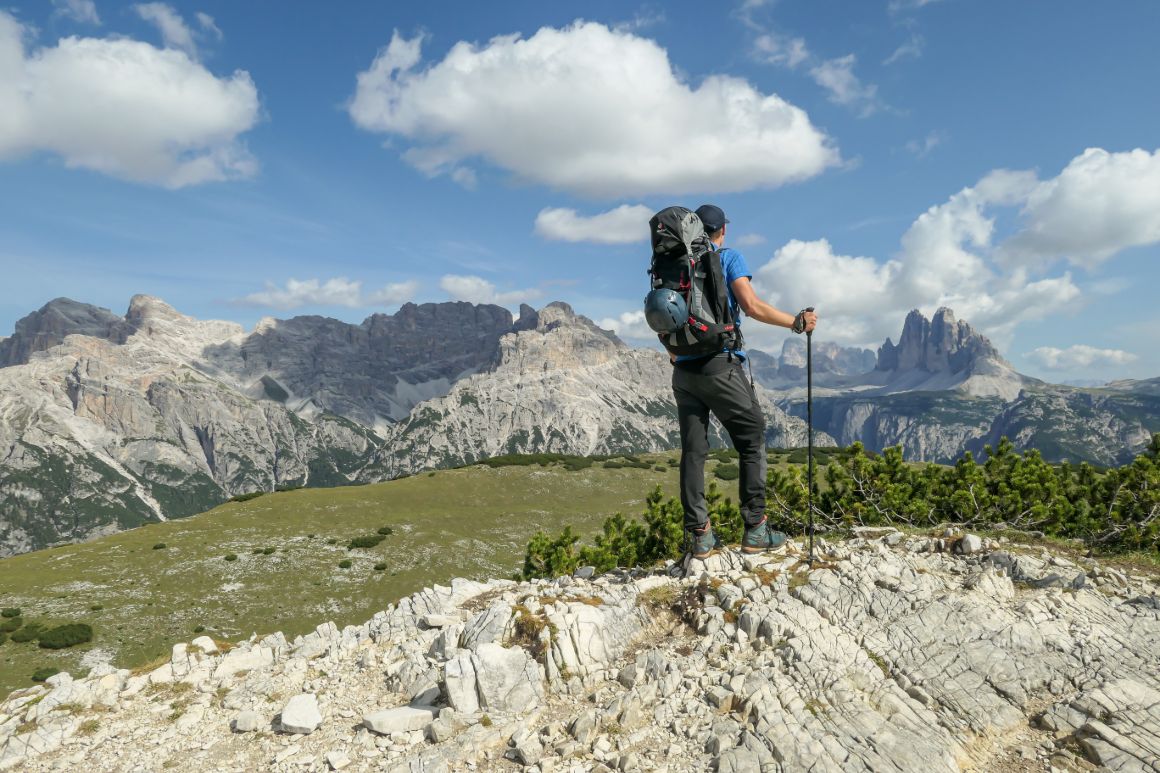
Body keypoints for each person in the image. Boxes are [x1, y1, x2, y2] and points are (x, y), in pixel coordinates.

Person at [674, 204, 817, 559]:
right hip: (718, 367)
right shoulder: (728, 257)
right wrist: (796, 322)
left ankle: (700, 537)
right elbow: (750, 306)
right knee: (753, 437)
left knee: (693, 452)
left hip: (683, 373)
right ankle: (756, 529)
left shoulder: (677, 266)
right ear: (722, 230)